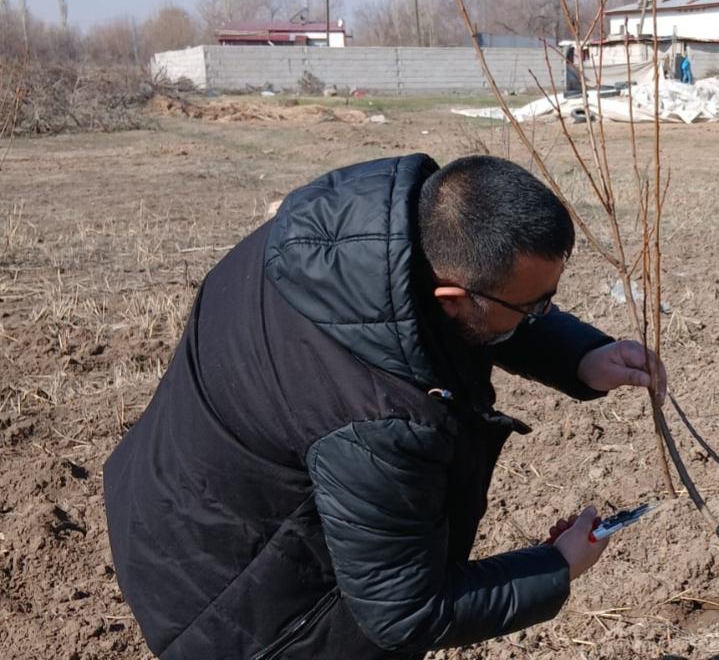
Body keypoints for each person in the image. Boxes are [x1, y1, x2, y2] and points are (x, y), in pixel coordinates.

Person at [104, 153, 666, 659]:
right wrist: (557, 567)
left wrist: (581, 357)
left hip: (165, 503)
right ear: (454, 298)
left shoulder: (351, 234)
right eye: (534, 306)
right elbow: (404, 611)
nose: (543, 313)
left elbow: (455, 312)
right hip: (232, 612)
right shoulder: (378, 418)